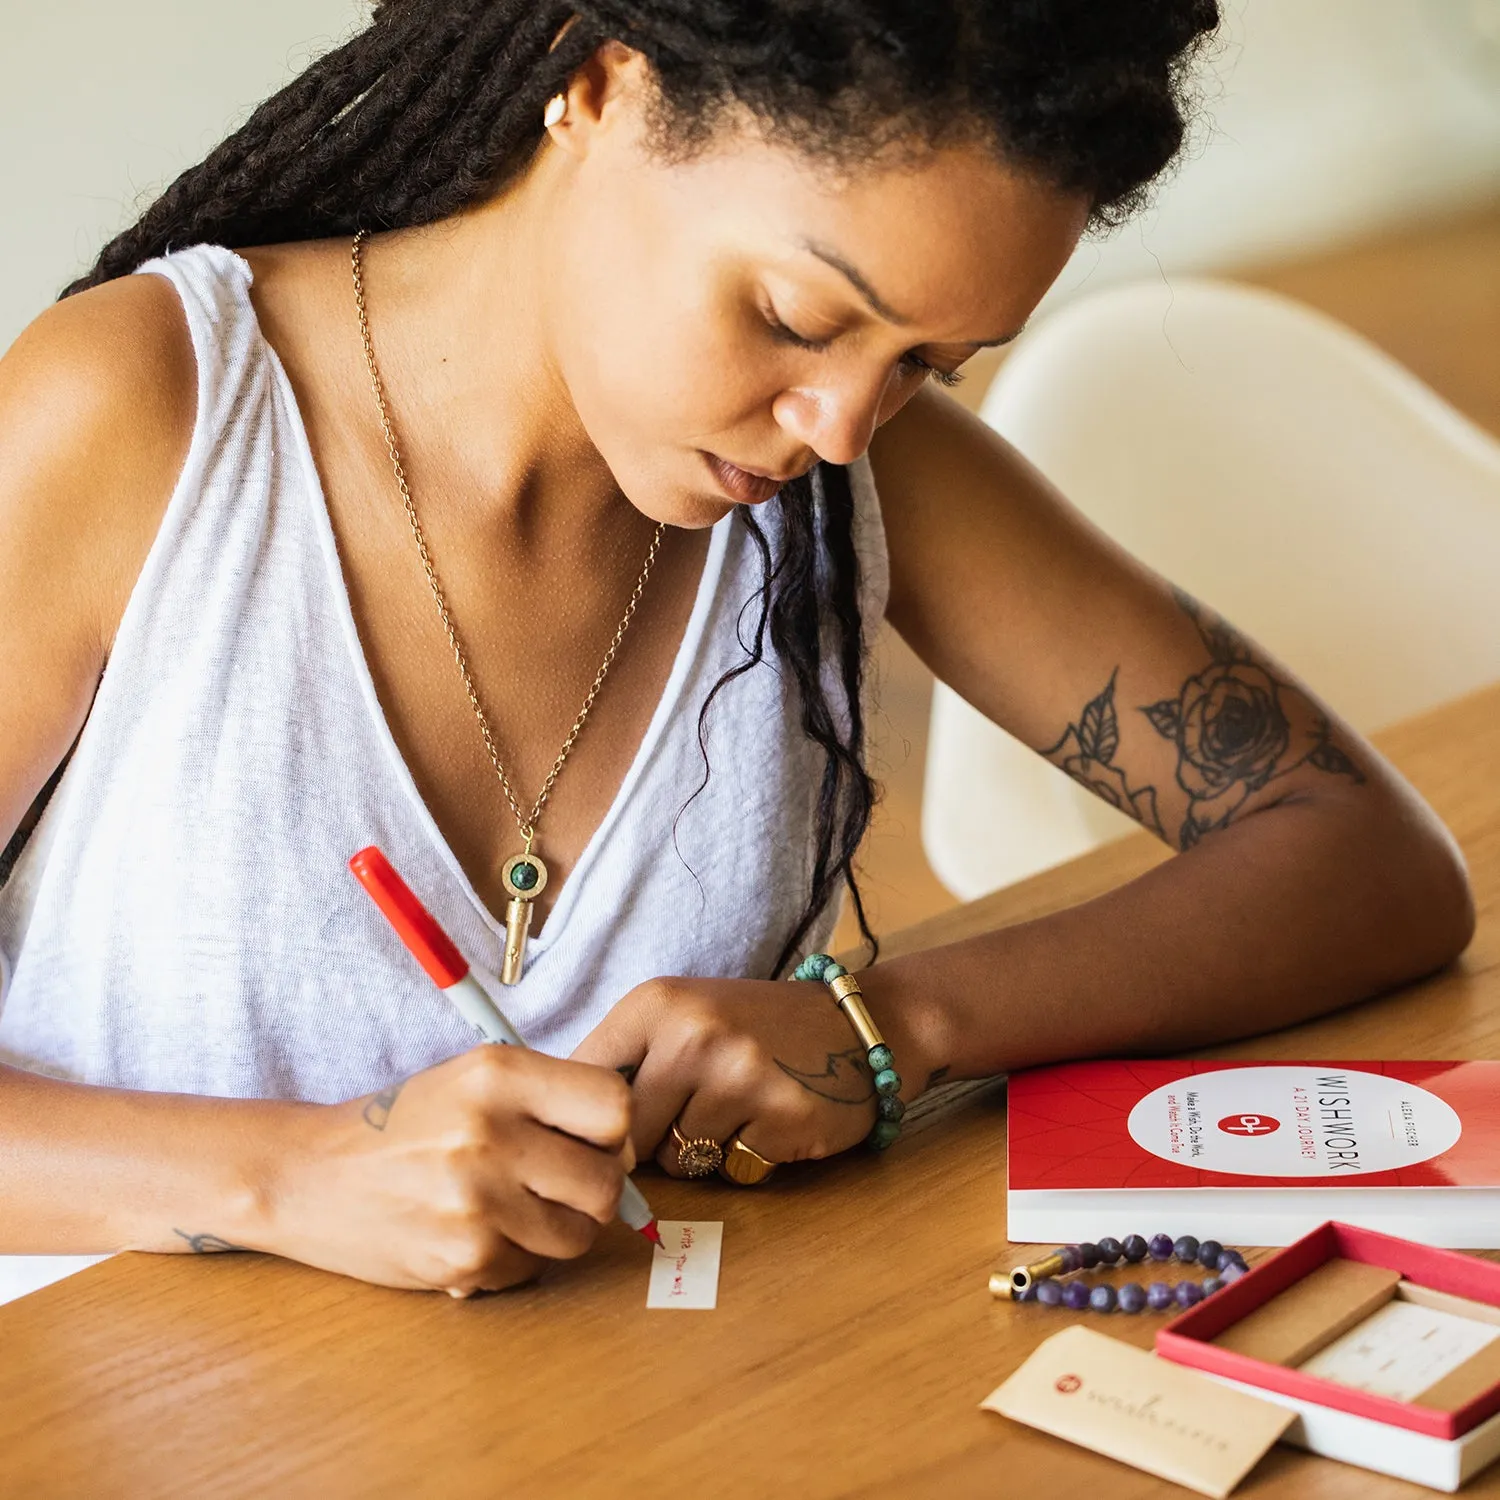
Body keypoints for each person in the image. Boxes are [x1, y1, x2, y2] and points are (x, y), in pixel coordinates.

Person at [0, 0, 1473, 1297]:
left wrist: (892, 1018)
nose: (839, 424)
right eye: (794, 314)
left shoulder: (859, 476)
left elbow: (1362, 856)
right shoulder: (141, 420)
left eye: (925, 365)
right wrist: (286, 1178)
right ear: (601, 86)